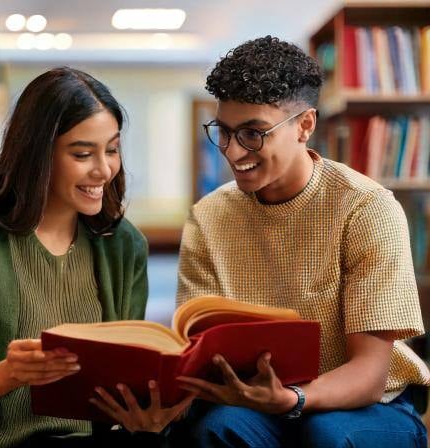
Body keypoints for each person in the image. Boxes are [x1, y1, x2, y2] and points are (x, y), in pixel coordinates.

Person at [0, 67, 191, 447]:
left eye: (112, 149)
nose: (103, 169)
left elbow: (125, 379)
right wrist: (4, 375)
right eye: (83, 153)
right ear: (38, 154)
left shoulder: (124, 244)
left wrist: (148, 413)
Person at [171, 36, 430, 447]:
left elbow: (369, 373)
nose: (234, 152)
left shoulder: (367, 208)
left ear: (305, 125)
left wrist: (292, 399)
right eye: (224, 131)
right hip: (254, 400)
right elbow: (201, 351)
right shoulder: (209, 216)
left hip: (371, 401)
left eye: (253, 133)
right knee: (215, 429)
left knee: (327, 434)